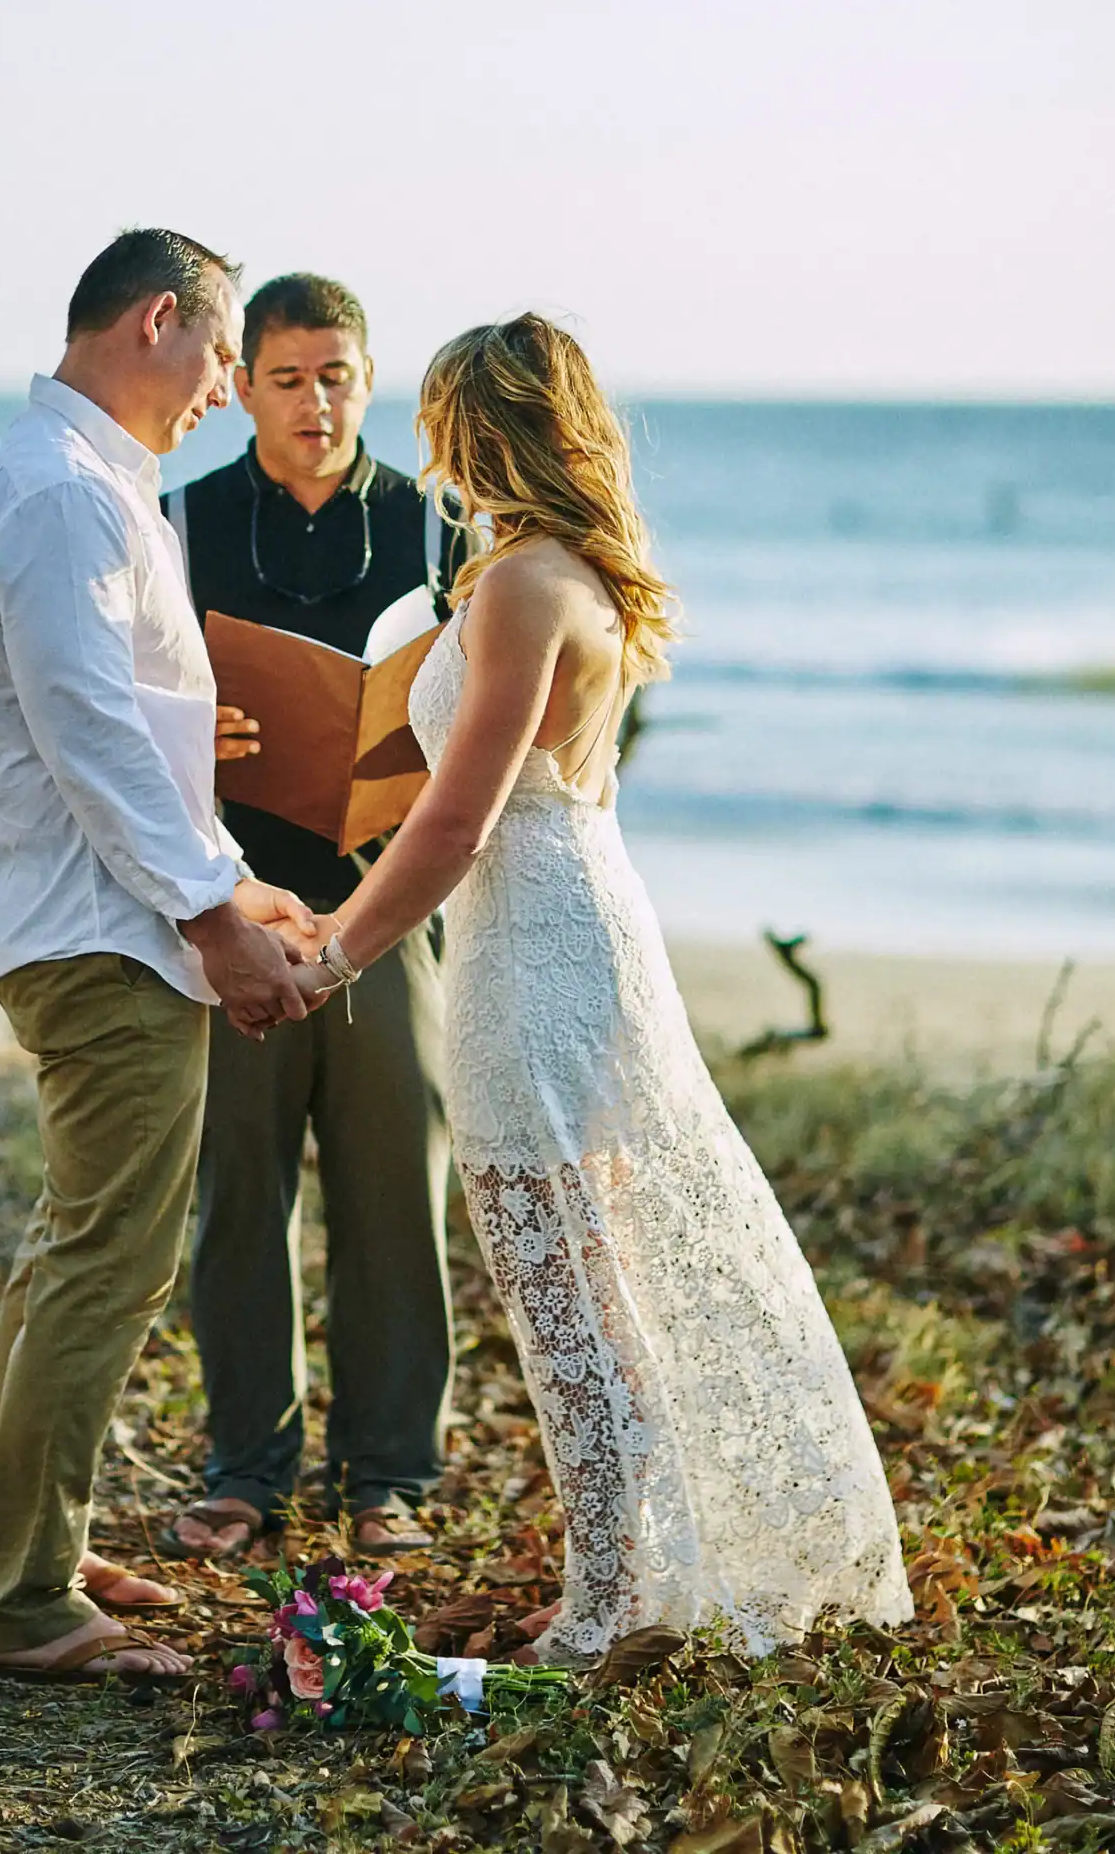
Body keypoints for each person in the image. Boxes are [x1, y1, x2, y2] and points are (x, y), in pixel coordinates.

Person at [293, 316, 913, 1663]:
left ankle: (613, 1606)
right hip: (567, 910)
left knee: (563, 1285)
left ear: (482, 427)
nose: (432, 451)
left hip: (535, 946)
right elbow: (501, 796)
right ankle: (626, 1580)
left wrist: (333, 952)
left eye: (441, 423)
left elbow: (457, 824)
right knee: (587, 1278)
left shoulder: (519, 585)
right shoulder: (566, 576)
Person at [0, 226, 323, 1685]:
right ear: (157, 322)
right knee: (109, 1257)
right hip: (98, 933)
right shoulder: (56, 495)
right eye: (224, 353)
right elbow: (84, 736)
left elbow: (119, 724)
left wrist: (240, 880)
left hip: (110, 914)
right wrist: (216, 920)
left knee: (76, 1255)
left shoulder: (89, 486)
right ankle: (26, 1605)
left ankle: (34, 1545)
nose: (225, 388)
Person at [163, 274, 461, 1563]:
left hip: (388, 906)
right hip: (232, 905)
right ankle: (247, 1467)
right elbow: (120, 708)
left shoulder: (439, 529)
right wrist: (196, 737)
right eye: (287, 377)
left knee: (399, 1185)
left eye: (337, 375)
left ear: (369, 380)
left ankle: (389, 1471)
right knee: (241, 1190)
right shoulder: (178, 520)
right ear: (242, 386)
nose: (316, 401)